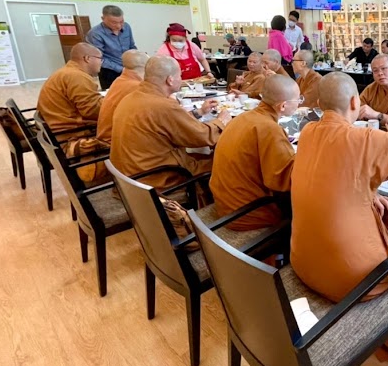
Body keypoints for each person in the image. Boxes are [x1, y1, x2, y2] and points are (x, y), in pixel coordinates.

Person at [290, 72, 388, 304]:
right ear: (355, 102)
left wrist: (369, 192)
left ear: (318, 105)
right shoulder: (363, 138)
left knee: (383, 206)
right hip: (354, 279)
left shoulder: (307, 133)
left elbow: (335, 174)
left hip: (303, 261)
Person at [110, 56, 230, 192]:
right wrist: (221, 121)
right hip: (159, 178)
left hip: (131, 176)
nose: (182, 78)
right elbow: (201, 137)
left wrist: (200, 112)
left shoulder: (131, 97)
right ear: (170, 79)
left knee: (201, 156)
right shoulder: (163, 105)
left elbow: (169, 124)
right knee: (225, 159)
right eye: (180, 75)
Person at [210, 75, 298, 231]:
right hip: (246, 212)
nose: (299, 103)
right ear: (283, 106)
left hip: (223, 203)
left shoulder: (244, 116)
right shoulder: (269, 129)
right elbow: (284, 180)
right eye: (298, 100)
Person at [36, 42, 107, 183]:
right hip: (70, 137)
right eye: (100, 58)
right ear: (87, 58)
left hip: (56, 133)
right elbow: (92, 111)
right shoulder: (77, 77)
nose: (101, 63)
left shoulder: (66, 72)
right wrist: (112, 102)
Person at [96, 49, 148, 144]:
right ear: (145, 68)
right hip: (116, 141)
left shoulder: (120, 80)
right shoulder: (136, 87)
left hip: (107, 134)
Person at [86, 5, 137, 89]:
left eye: (121, 21)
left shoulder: (127, 27)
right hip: (109, 71)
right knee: (113, 96)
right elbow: (99, 58)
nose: (119, 26)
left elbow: (132, 46)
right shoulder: (95, 34)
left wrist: (137, 60)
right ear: (103, 18)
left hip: (128, 68)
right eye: (114, 22)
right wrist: (120, 69)